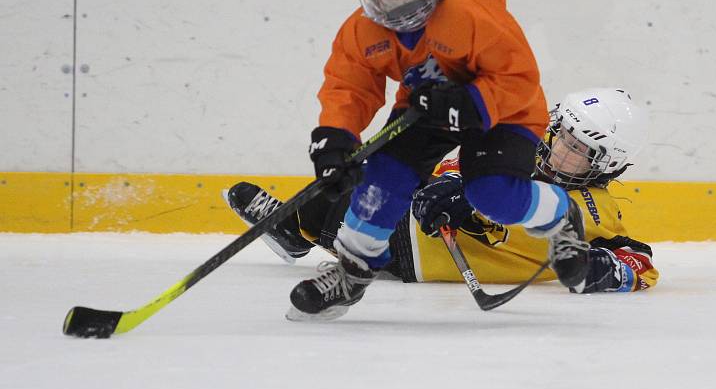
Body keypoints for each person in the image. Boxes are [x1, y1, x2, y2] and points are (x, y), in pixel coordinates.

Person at [282, 0, 585, 320]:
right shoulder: (361, 31)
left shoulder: (474, 14)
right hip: (424, 109)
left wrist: (468, 104)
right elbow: (348, 86)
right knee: (380, 179)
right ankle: (352, 272)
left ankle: (559, 214)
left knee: (491, 194)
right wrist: (335, 139)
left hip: (502, 112)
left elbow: (518, 79)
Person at [226, 87, 658, 301]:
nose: (560, 149)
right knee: (360, 176)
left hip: (418, 254)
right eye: (562, 134)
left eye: (578, 150)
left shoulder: (595, 206)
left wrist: (605, 270)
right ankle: (295, 231)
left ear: (606, 165)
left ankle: (299, 230)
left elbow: (640, 262)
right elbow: (466, 163)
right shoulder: (524, 154)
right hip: (422, 230)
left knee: (347, 210)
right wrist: (452, 183)